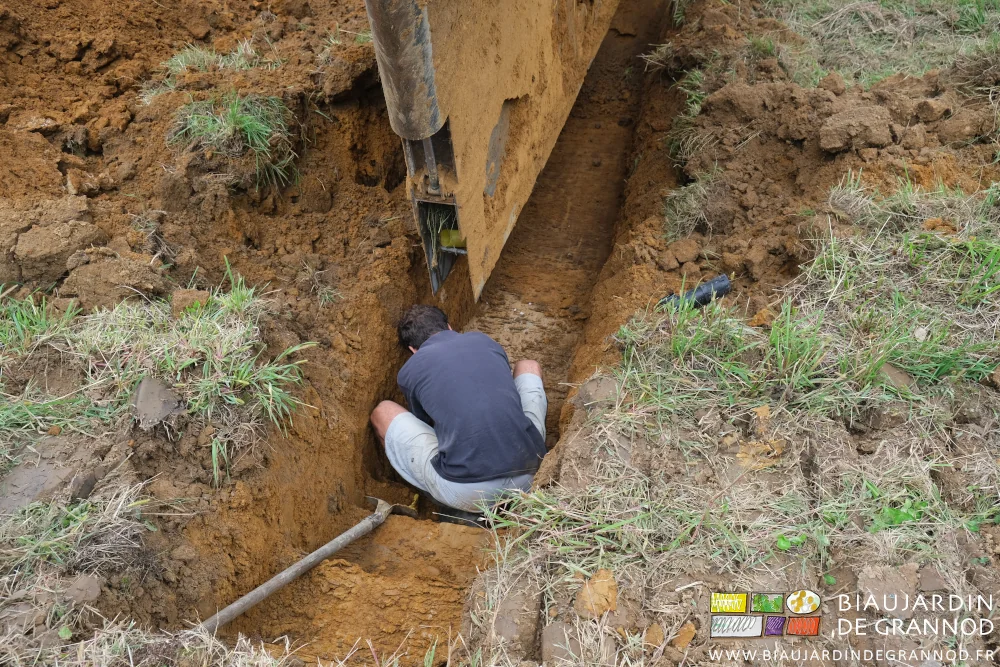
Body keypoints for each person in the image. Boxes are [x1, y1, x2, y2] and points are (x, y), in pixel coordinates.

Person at [370, 305, 547, 513]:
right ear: (449, 327)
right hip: (532, 471)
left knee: (382, 412)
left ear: (412, 350)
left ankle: (430, 496)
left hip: (469, 493)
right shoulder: (485, 341)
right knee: (528, 366)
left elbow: (426, 424)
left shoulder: (409, 370)